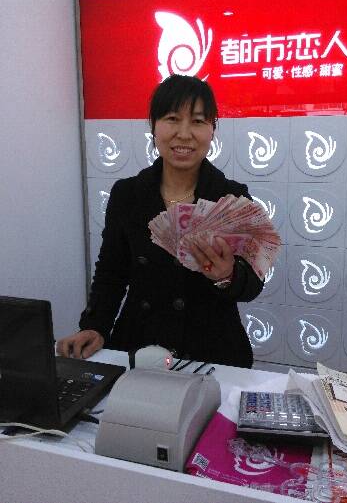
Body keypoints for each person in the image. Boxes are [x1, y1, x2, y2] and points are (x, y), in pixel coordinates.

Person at [57, 75, 264, 368]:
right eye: (172, 119)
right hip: (139, 343)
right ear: (153, 126)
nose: (184, 134)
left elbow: (253, 284)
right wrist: (95, 326)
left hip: (211, 351)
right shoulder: (127, 194)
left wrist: (228, 275)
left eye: (198, 121)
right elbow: (111, 273)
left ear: (212, 130)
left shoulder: (232, 199)